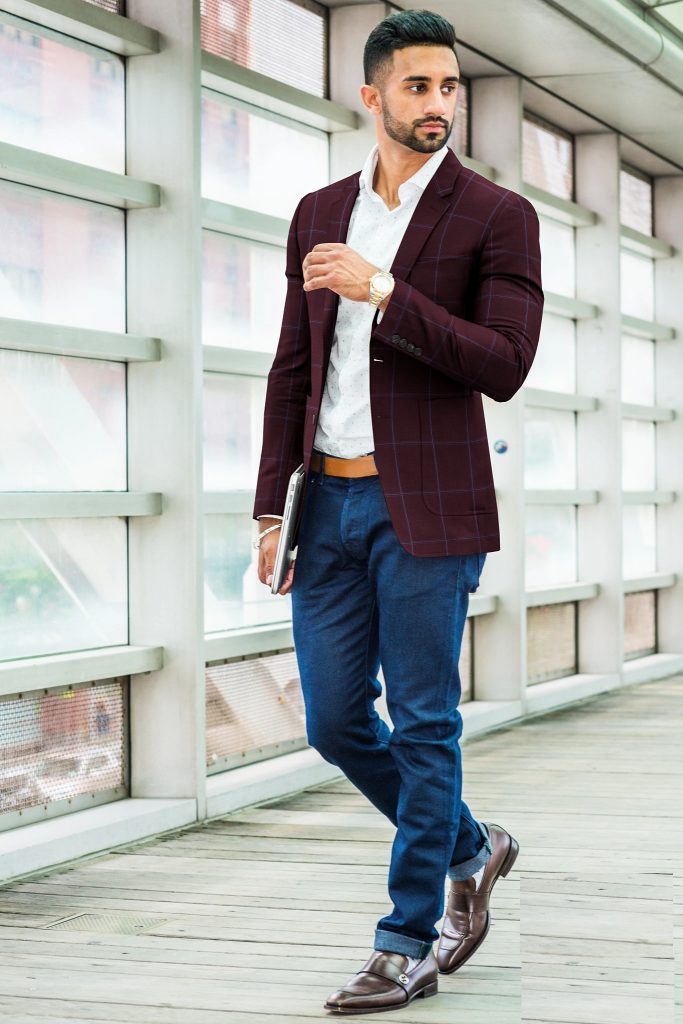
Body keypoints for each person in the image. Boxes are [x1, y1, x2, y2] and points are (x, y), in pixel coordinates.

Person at [253, 9, 543, 1015]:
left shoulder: (496, 216)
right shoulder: (317, 212)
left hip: (427, 507)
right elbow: (292, 367)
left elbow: (503, 363)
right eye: (417, 86)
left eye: (448, 86)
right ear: (370, 95)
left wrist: (384, 291)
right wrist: (270, 507)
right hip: (324, 504)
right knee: (335, 720)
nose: (436, 103)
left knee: (423, 723)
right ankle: (470, 843)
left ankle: (404, 941)